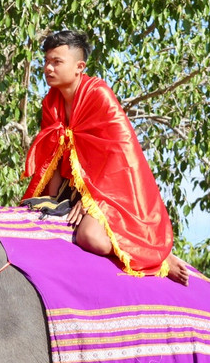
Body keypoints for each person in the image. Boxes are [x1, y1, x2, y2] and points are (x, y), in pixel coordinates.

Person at [21, 28, 187, 284]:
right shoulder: (50, 102)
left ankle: (157, 258)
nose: (48, 68)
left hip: (111, 188)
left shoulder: (98, 94)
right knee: (34, 213)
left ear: (79, 67)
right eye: (46, 61)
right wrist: (48, 201)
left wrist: (92, 200)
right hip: (73, 184)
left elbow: (121, 155)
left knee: (91, 238)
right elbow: (51, 156)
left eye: (57, 62)